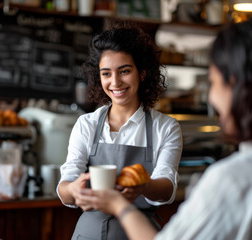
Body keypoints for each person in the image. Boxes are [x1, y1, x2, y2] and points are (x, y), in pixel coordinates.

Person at [78, 18, 252, 240]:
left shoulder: (231, 179)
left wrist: (120, 206)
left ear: (239, 88)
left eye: (214, 83)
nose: (212, 98)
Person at [56, 23, 183, 240]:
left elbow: (167, 186)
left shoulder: (166, 127)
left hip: (140, 232)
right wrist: (73, 191)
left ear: (142, 72)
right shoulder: (87, 124)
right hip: (89, 234)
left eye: (124, 71)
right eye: (106, 73)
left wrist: (144, 186)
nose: (115, 82)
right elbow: (66, 184)